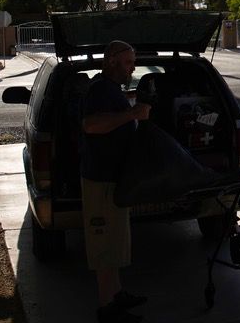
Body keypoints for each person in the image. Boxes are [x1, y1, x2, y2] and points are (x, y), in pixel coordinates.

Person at [81, 40, 151, 323]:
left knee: (116, 240)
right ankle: (106, 307)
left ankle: (117, 293)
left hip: (115, 177)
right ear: (111, 61)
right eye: (127, 63)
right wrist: (133, 114)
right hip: (100, 179)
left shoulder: (111, 90)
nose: (132, 68)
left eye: (133, 62)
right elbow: (91, 125)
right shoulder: (99, 89)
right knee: (104, 245)